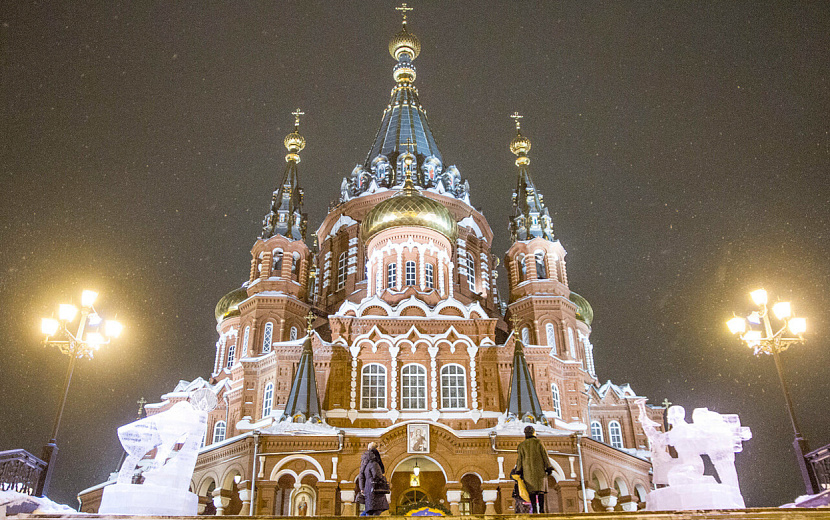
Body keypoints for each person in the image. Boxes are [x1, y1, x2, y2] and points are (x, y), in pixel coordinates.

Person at [516, 425, 553, 514]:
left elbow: (520, 459)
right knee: (541, 492)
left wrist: (519, 470)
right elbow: (545, 456)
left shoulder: (522, 445)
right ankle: (541, 509)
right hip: (539, 471)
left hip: (528, 472)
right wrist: (548, 467)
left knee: (532, 492)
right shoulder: (538, 442)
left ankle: (535, 510)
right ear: (533, 432)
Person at [358, 442, 389, 516]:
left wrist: (362, 488)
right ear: (376, 449)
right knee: (376, 511)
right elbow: (377, 476)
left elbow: (361, 476)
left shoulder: (365, 462)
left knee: (370, 511)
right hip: (375, 492)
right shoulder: (374, 462)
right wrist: (384, 480)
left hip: (368, 490)